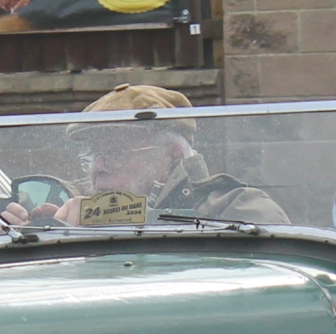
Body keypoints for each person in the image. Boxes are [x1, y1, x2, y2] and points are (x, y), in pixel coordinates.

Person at [16, 84, 290, 227]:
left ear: (172, 155)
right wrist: (22, 239)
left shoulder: (234, 207)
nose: (98, 166)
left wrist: (110, 220)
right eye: (92, 153)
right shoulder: (67, 203)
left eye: (114, 150)